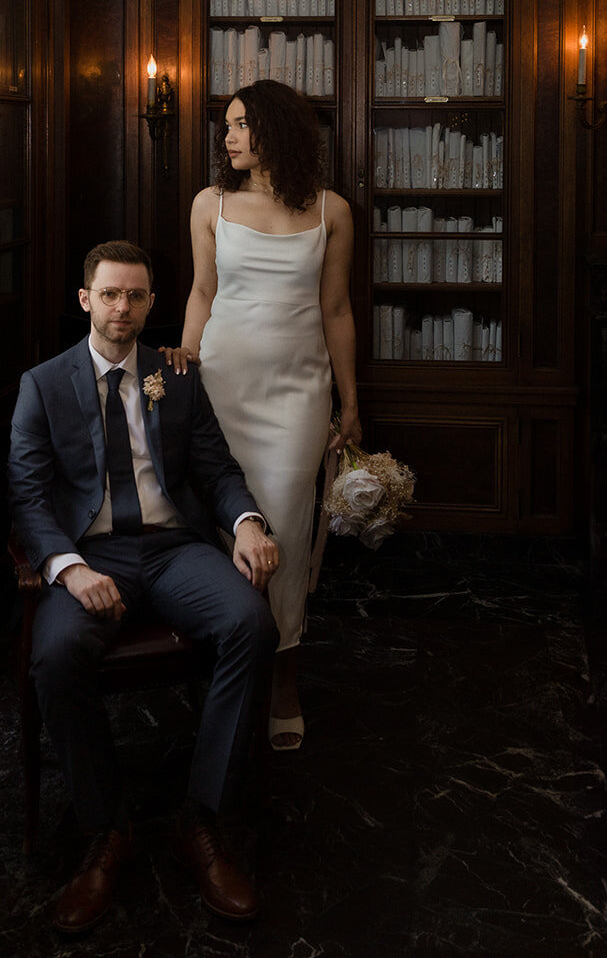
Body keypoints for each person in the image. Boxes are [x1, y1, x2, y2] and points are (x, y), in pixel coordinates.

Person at [7, 239, 281, 934]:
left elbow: (215, 470)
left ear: (151, 303)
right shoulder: (42, 384)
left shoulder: (175, 376)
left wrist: (246, 522)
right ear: (85, 300)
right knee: (57, 655)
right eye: (109, 295)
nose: (121, 308)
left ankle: (202, 821)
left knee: (250, 623)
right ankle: (106, 832)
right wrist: (69, 570)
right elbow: (28, 499)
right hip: (91, 555)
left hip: (171, 547)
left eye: (134, 296)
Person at [164, 80, 362, 752]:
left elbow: (335, 311)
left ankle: (282, 677)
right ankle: (228, 669)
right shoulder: (209, 205)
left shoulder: (330, 211)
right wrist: (186, 367)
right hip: (221, 388)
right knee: (223, 530)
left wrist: (350, 401)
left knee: (286, 531)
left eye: (241, 124)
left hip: (297, 398)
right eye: (227, 126)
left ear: (275, 129)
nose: (228, 138)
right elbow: (202, 291)